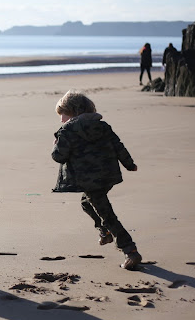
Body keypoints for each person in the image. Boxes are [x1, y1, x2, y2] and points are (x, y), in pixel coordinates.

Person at [51, 90, 142, 270]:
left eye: (63, 115)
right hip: (107, 175)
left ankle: (130, 251)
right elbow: (118, 145)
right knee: (86, 203)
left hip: (88, 179)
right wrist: (129, 164)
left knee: (106, 214)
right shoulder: (102, 126)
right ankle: (105, 232)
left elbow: (59, 156)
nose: (61, 120)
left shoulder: (67, 130)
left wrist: (55, 145)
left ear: (73, 112)